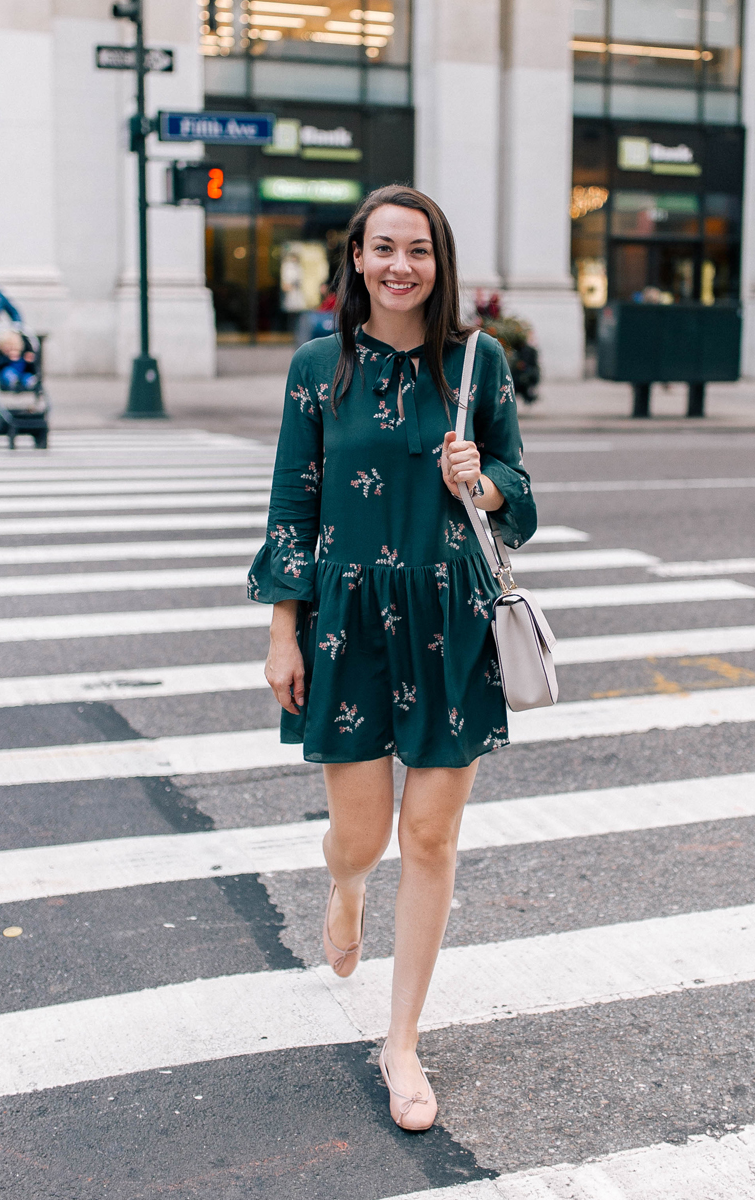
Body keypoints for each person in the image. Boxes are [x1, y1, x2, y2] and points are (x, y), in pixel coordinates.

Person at [248, 184, 536, 1131]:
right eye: (383, 249)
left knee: (430, 841)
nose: (400, 266)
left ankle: (401, 1041)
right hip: (345, 621)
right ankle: (343, 885)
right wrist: (282, 629)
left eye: (417, 250)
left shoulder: (478, 362)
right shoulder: (315, 368)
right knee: (364, 838)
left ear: (438, 263)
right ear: (358, 258)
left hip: (449, 620)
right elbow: (292, 505)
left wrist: (483, 485)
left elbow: (521, 496)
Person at [0, 329, 38, 393]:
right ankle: (13, 380)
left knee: (27, 376)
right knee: (7, 372)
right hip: (9, 376)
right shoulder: (2, 357)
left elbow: (32, 369)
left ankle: (28, 381)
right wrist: (8, 359)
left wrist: (29, 361)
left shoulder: (23, 356)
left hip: (22, 374)